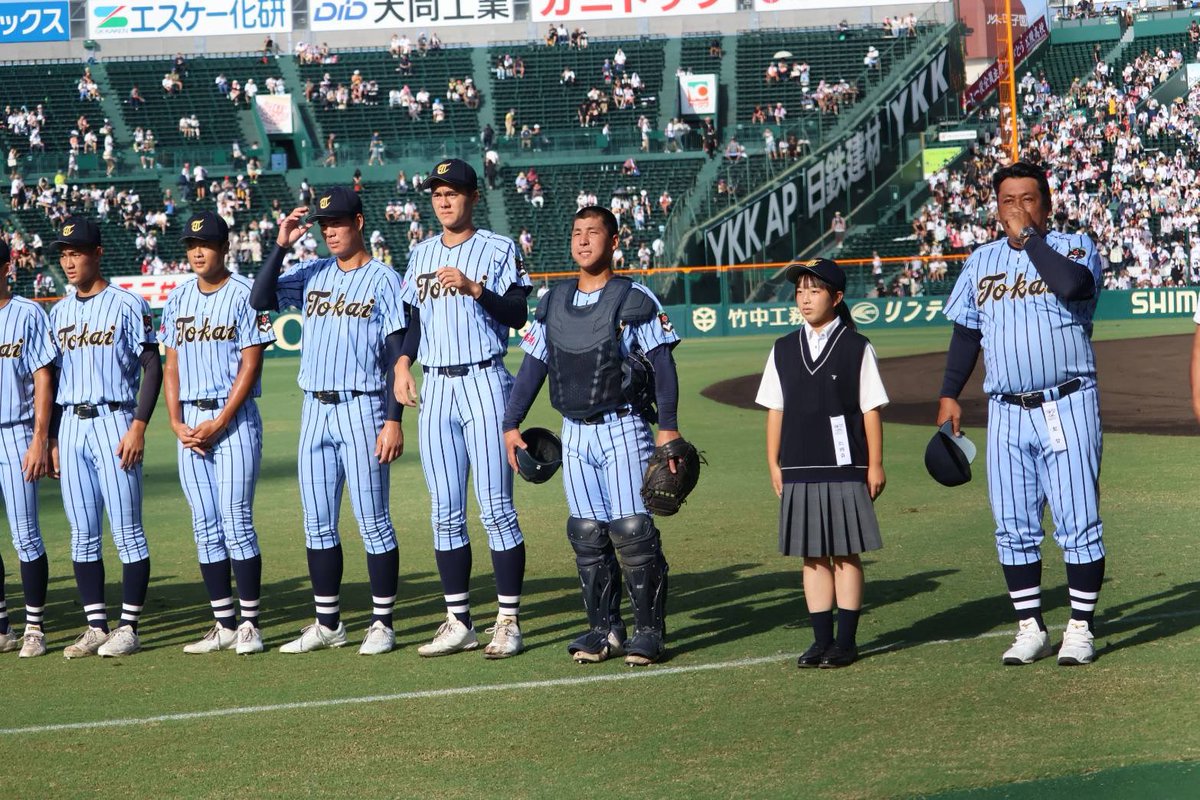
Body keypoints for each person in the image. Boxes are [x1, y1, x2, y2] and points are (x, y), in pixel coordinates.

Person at [938, 161, 1106, 666]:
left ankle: (1079, 627)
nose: (1017, 209)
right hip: (1005, 411)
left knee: (1078, 521)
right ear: (996, 208)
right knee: (1012, 525)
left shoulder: (1076, 247)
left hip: (1068, 401)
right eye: (1008, 201)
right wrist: (949, 394)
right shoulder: (981, 260)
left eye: (1028, 198)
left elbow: (1074, 287)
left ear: (1047, 205)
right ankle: (1029, 626)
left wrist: (1030, 240)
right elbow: (967, 332)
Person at [501, 206, 682, 666]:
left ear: (614, 241)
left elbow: (662, 363)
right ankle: (604, 630)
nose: (583, 240)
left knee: (632, 532)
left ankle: (649, 633)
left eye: (593, 232)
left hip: (622, 426)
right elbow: (534, 365)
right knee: (587, 534)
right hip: (574, 433)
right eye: (577, 232)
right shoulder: (554, 300)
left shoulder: (634, 297)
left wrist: (669, 429)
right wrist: (511, 422)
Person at [250, 186, 406, 655]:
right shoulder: (313, 272)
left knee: (373, 521)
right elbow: (260, 297)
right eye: (323, 225)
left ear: (358, 222)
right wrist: (280, 243)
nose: (330, 231)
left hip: (364, 406)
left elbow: (399, 351)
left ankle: (382, 623)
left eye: (338, 222)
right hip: (314, 409)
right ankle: (328, 623)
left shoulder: (383, 278)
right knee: (317, 524)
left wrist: (394, 419)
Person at [393, 159, 530, 659]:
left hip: (485, 380)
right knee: (444, 512)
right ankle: (458, 621)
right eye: (437, 193)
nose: (443, 200)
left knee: (496, 508)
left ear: (472, 196)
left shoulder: (497, 248)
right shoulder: (422, 253)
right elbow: (411, 320)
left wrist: (476, 289)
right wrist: (403, 362)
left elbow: (518, 313)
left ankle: (508, 621)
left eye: (452, 192)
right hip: (437, 388)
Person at [756, 259, 888, 669]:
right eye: (800, 291)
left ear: (837, 297)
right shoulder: (781, 348)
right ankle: (820, 641)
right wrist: (774, 463)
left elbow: (870, 410)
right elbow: (774, 409)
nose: (805, 298)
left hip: (847, 467)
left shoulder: (856, 346)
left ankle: (845, 642)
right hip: (798, 465)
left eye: (814, 290)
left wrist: (876, 464)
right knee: (812, 556)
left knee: (846, 553)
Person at [162, 212, 276, 655]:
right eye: (192, 243)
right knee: (205, 525)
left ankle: (250, 623)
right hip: (190, 422)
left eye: (205, 243)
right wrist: (174, 422)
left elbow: (252, 361)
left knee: (235, 520)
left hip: (235, 421)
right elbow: (171, 364)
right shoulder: (177, 297)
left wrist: (222, 419)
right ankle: (222, 622)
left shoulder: (246, 293)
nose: (197, 250)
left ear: (224, 247)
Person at [50, 217, 162, 658]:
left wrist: (138, 424)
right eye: (63, 253)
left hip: (116, 421)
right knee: (82, 534)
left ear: (97, 253)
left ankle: (128, 627)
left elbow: (153, 366)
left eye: (76, 252)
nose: (69, 261)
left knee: (128, 531)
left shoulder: (128, 304)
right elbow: (52, 379)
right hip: (72, 424)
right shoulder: (57, 312)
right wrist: (54, 438)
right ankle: (96, 625)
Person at [0, 240, 55, 658]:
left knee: (26, 535)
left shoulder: (27, 313)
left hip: (17, 433)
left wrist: (41, 438)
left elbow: (42, 379)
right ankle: (3, 625)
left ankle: (34, 626)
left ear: (7, 266)